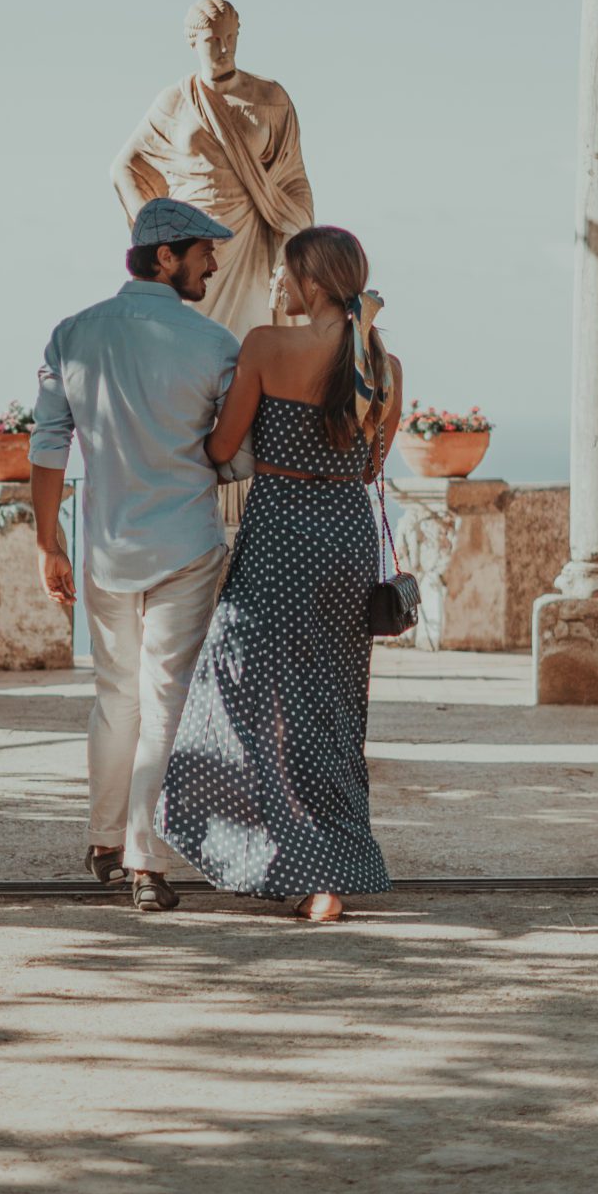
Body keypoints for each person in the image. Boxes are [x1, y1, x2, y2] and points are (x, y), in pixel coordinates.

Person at [157, 224, 401, 922]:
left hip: (280, 535)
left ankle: (287, 858)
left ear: (313, 283)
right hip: (347, 542)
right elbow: (372, 463)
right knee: (331, 706)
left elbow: (221, 446)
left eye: (287, 275)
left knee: (244, 696)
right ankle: (335, 868)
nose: (279, 286)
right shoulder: (385, 364)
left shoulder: (266, 345)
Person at [30, 198, 246, 914]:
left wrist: (45, 542)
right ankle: (144, 861)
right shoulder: (216, 345)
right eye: (203, 252)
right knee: (164, 700)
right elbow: (235, 456)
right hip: (185, 541)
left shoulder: (72, 333)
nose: (213, 264)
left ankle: (102, 837)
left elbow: (49, 446)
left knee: (115, 694)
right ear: (164, 256)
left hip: (103, 545)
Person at [110, 0, 314, 342]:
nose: (224, 48)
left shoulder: (270, 97)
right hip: (194, 243)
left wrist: (291, 244)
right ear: (193, 43)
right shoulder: (174, 100)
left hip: (253, 240)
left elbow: (294, 180)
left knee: (249, 341)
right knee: (186, 340)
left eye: (230, 37)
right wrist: (155, 231)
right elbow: (124, 167)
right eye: (212, 40)